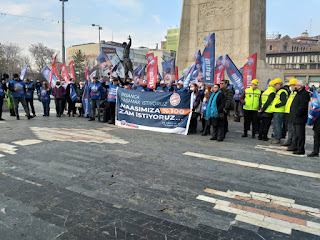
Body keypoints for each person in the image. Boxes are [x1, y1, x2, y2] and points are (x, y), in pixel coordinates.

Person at [288, 80, 310, 155]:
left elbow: (303, 105)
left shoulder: (305, 94)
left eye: (296, 85)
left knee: (300, 134)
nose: (295, 86)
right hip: (295, 117)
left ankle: (300, 149)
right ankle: (296, 147)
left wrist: (297, 113)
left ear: (300, 86)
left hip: (300, 118)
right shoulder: (298, 93)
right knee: (296, 134)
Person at [270, 78, 288, 144]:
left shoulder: (282, 92)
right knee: (275, 125)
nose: (274, 86)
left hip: (279, 111)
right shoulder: (279, 91)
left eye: (275, 85)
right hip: (277, 111)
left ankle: (277, 138)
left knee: (277, 125)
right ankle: (276, 137)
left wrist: (277, 105)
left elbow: (284, 101)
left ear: (279, 84)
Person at [282, 79, 297, 147]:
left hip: (292, 113)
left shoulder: (297, 93)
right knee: (289, 128)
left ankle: (292, 142)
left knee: (293, 129)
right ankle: (289, 140)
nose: (291, 87)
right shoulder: (292, 93)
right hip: (288, 112)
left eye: (291, 85)